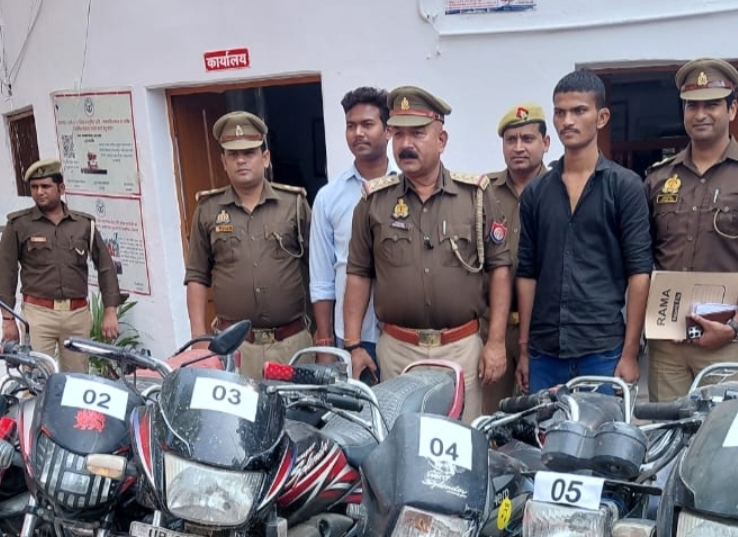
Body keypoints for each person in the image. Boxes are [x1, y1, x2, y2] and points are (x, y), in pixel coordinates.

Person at [343, 85, 512, 421]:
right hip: (397, 350)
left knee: (460, 441)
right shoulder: (374, 201)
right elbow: (358, 274)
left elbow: (500, 269)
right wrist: (353, 345)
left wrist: (495, 342)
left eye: (418, 133)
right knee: (400, 440)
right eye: (398, 134)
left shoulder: (476, 197)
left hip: (461, 348)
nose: (406, 144)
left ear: (442, 139)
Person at [644, 59, 738, 401]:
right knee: (666, 428)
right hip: (668, 340)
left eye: (712, 105)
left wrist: (735, 324)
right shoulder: (658, 177)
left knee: (719, 429)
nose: (700, 114)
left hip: (725, 337)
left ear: (732, 109)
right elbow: (642, 258)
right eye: (692, 105)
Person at [515, 71, 653, 393]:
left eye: (579, 111)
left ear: (602, 117)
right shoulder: (536, 192)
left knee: (602, 428)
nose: (567, 121)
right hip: (544, 352)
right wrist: (523, 350)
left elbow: (639, 273)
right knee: (541, 427)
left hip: (602, 350)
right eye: (560, 112)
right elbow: (527, 273)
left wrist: (630, 352)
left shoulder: (625, 187)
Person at [184, 111, 312, 380]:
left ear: (265, 158)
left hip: (291, 343)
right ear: (223, 161)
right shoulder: (208, 210)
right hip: (234, 346)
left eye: (249, 152)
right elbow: (196, 275)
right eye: (233, 154)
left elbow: (318, 269)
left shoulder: (294, 204)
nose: (241, 160)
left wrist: (324, 332)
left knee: (298, 408)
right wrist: (198, 339)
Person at [0, 159, 121, 373]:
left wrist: (110, 311)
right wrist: (7, 319)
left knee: (76, 381)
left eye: (46, 186)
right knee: (37, 378)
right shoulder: (19, 224)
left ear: (61, 188)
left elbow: (106, 267)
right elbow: (5, 271)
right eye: (34, 187)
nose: (39, 192)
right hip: (38, 314)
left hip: (76, 315)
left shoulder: (83, 225)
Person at [309, 87, 392, 371]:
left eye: (367, 124)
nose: (358, 133)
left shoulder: (409, 188)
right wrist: (325, 342)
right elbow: (321, 278)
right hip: (352, 340)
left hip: (401, 337)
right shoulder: (328, 197)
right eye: (350, 126)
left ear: (388, 130)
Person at [482, 103, 550, 411]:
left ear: (545, 143)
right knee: (488, 416)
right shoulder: (483, 192)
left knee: (537, 416)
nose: (518, 147)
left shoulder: (560, 189)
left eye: (527, 138)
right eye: (511, 140)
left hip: (541, 328)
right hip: (490, 327)